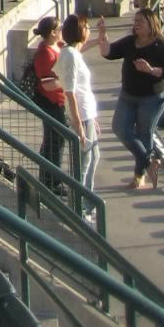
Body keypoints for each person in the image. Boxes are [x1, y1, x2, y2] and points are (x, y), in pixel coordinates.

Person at [95, 9, 164, 189]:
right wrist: (102, 35)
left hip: (152, 97)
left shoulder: (160, 45)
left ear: (151, 24)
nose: (137, 24)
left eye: (141, 21)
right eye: (136, 20)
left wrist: (150, 70)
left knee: (144, 133)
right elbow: (108, 52)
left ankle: (139, 176)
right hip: (128, 95)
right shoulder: (130, 42)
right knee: (119, 128)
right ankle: (149, 162)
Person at [60, 15, 101, 197]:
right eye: (87, 27)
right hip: (81, 116)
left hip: (87, 114)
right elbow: (70, 91)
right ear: (80, 31)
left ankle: (87, 202)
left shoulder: (72, 52)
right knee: (84, 163)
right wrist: (79, 125)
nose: (89, 30)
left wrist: (99, 39)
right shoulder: (69, 55)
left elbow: (80, 49)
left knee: (93, 157)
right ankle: (80, 206)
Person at [31, 17, 68, 192]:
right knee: (54, 141)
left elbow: (76, 49)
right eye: (59, 28)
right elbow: (48, 84)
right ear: (52, 32)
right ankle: (51, 181)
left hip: (59, 101)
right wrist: (67, 80)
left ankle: (50, 178)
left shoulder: (57, 47)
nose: (62, 31)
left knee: (56, 140)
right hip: (50, 102)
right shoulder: (45, 54)